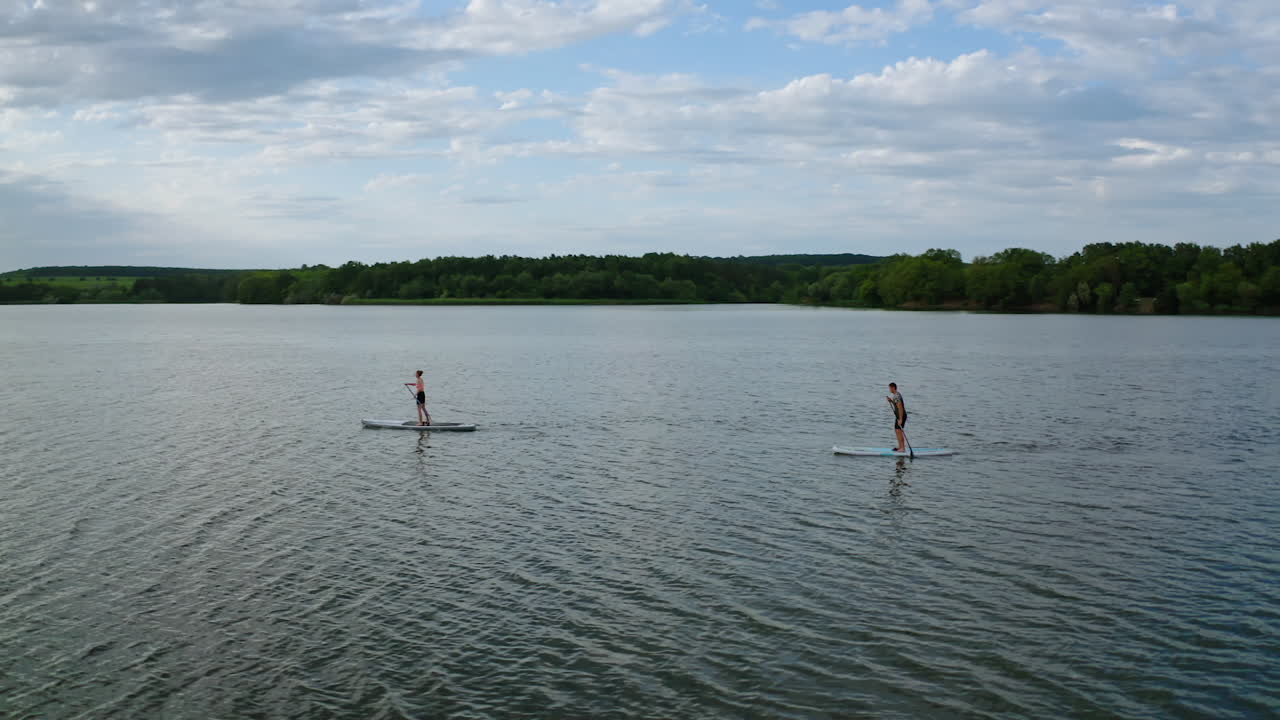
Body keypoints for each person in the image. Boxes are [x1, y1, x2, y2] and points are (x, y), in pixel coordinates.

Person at [886, 382, 907, 452]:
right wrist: (891, 401)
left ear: (893, 388)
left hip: (901, 416)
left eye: (890, 388)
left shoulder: (897, 396)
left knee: (899, 431)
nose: (889, 390)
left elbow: (900, 408)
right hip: (898, 416)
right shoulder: (895, 396)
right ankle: (900, 447)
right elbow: (896, 404)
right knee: (897, 431)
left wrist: (900, 419)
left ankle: (903, 448)